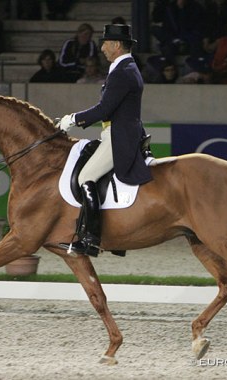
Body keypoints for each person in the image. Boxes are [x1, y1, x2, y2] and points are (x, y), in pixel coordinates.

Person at [57, 24, 152, 257]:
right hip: (117, 132)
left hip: (120, 137)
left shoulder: (123, 71)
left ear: (117, 45)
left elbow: (104, 109)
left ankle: (91, 239)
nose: (101, 48)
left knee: (85, 177)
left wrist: (73, 119)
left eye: (105, 43)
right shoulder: (124, 68)